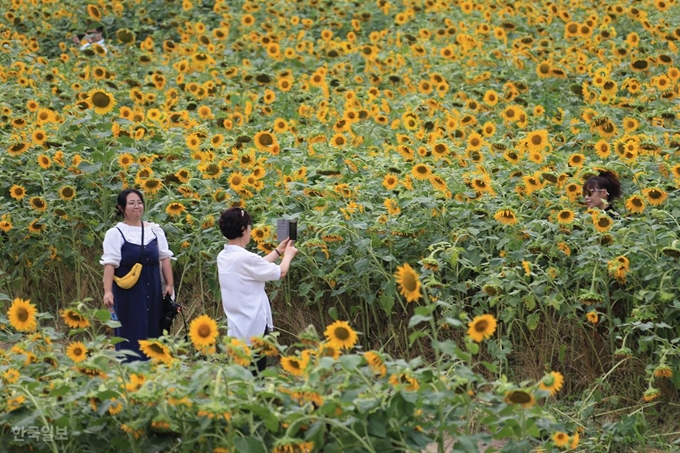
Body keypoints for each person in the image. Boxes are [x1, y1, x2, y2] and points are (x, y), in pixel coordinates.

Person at [217, 207, 297, 372]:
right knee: (255, 374)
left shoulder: (224, 256)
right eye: (249, 226)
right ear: (243, 229)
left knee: (242, 376)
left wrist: (277, 251)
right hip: (254, 328)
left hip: (237, 328)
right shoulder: (246, 258)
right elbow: (280, 272)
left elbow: (254, 267)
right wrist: (288, 255)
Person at [101, 189, 174, 361]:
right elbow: (110, 264)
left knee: (154, 325)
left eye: (139, 202)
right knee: (130, 326)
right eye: (131, 203)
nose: (136, 206)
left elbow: (165, 259)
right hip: (128, 292)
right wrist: (107, 291)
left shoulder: (155, 230)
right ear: (121, 207)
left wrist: (169, 285)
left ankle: (154, 367)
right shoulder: (115, 233)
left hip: (153, 288)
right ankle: (131, 367)